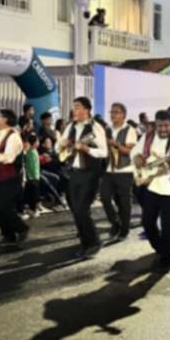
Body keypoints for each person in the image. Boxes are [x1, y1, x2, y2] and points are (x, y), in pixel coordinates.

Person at [131, 109, 170, 271]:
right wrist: (136, 157)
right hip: (152, 186)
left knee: (167, 226)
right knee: (147, 222)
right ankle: (160, 248)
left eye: (166, 126)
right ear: (156, 124)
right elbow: (135, 152)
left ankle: (165, 257)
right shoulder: (148, 136)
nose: (163, 129)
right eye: (160, 126)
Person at [59, 97, 108, 258]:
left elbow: (104, 152)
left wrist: (87, 149)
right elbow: (58, 146)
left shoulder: (96, 127)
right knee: (75, 210)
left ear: (86, 110)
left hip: (90, 174)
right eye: (74, 107)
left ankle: (94, 241)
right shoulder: (70, 126)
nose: (74, 110)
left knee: (82, 209)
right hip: (73, 172)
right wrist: (62, 144)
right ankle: (85, 242)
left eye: (78, 107)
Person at [0, 109, 28, 248]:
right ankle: (8, 236)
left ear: (6, 120)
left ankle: (22, 228)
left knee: (5, 207)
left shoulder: (13, 136)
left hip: (10, 177)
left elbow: (9, 158)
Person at [100, 102, 138, 241]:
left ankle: (124, 230)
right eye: (112, 112)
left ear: (124, 115)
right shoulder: (107, 129)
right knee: (104, 197)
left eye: (116, 112)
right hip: (109, 170)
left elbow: (130, 151)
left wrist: (115, 144)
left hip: (125, 170)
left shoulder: (130, 130)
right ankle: (115, 223)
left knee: (124, 202)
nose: (113, 115)